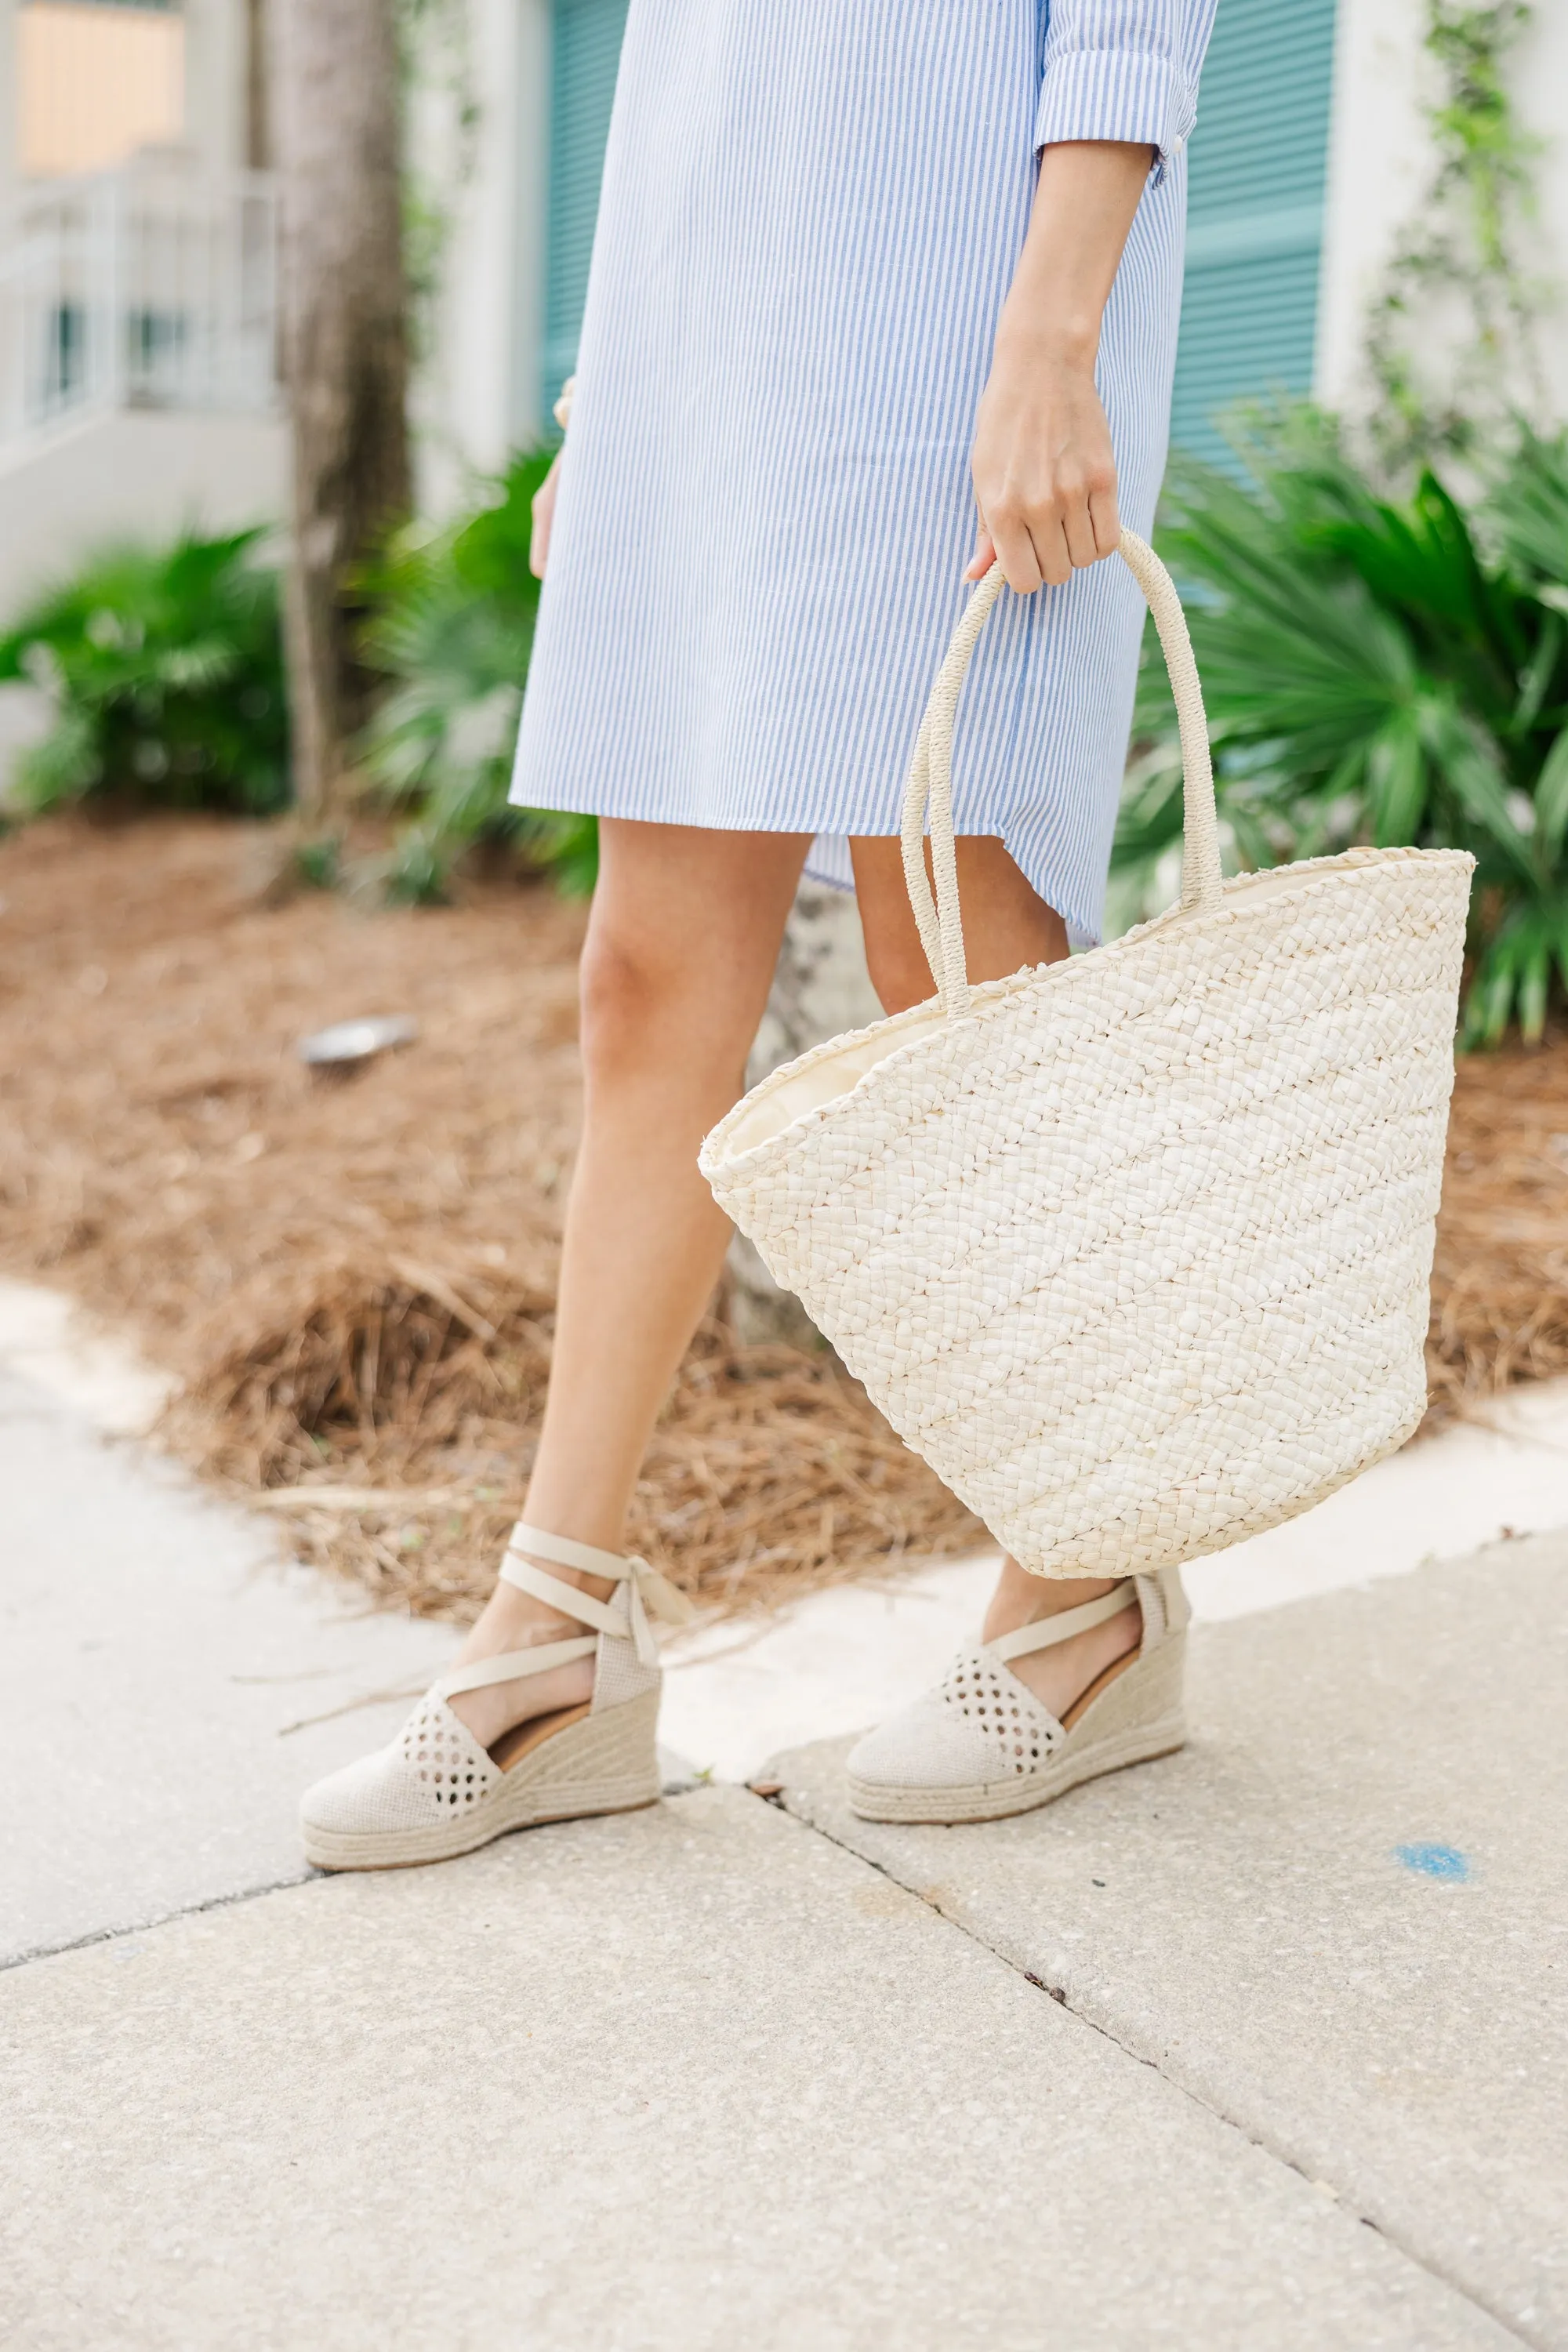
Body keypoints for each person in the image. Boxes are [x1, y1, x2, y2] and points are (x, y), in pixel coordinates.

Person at [300, 0, 1218, 1870]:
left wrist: (1056, 338)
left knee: (948, 963)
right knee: (642, 978)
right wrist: (610, 376)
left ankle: (1089, 1593)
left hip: (963, 306)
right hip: (707, 333)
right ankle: (560, 1635)